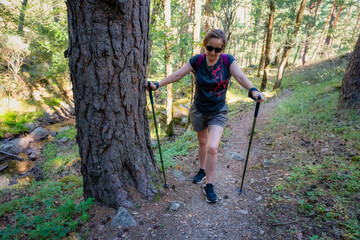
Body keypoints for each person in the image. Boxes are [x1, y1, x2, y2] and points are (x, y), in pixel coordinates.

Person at [147, 29, 265, 203]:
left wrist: (253, 90)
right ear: (205, 46)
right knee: (202, 142)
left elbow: (239, 76)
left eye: (218, 49)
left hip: (218, 110)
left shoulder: (227, 61)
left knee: (212, 147)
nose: (213, 52)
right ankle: (202, 170)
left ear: (222, 50)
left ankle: (209, 185)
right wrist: (158, 84)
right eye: (210, 48)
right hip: (199, 109)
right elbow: (178, 74)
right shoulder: (198, 60)